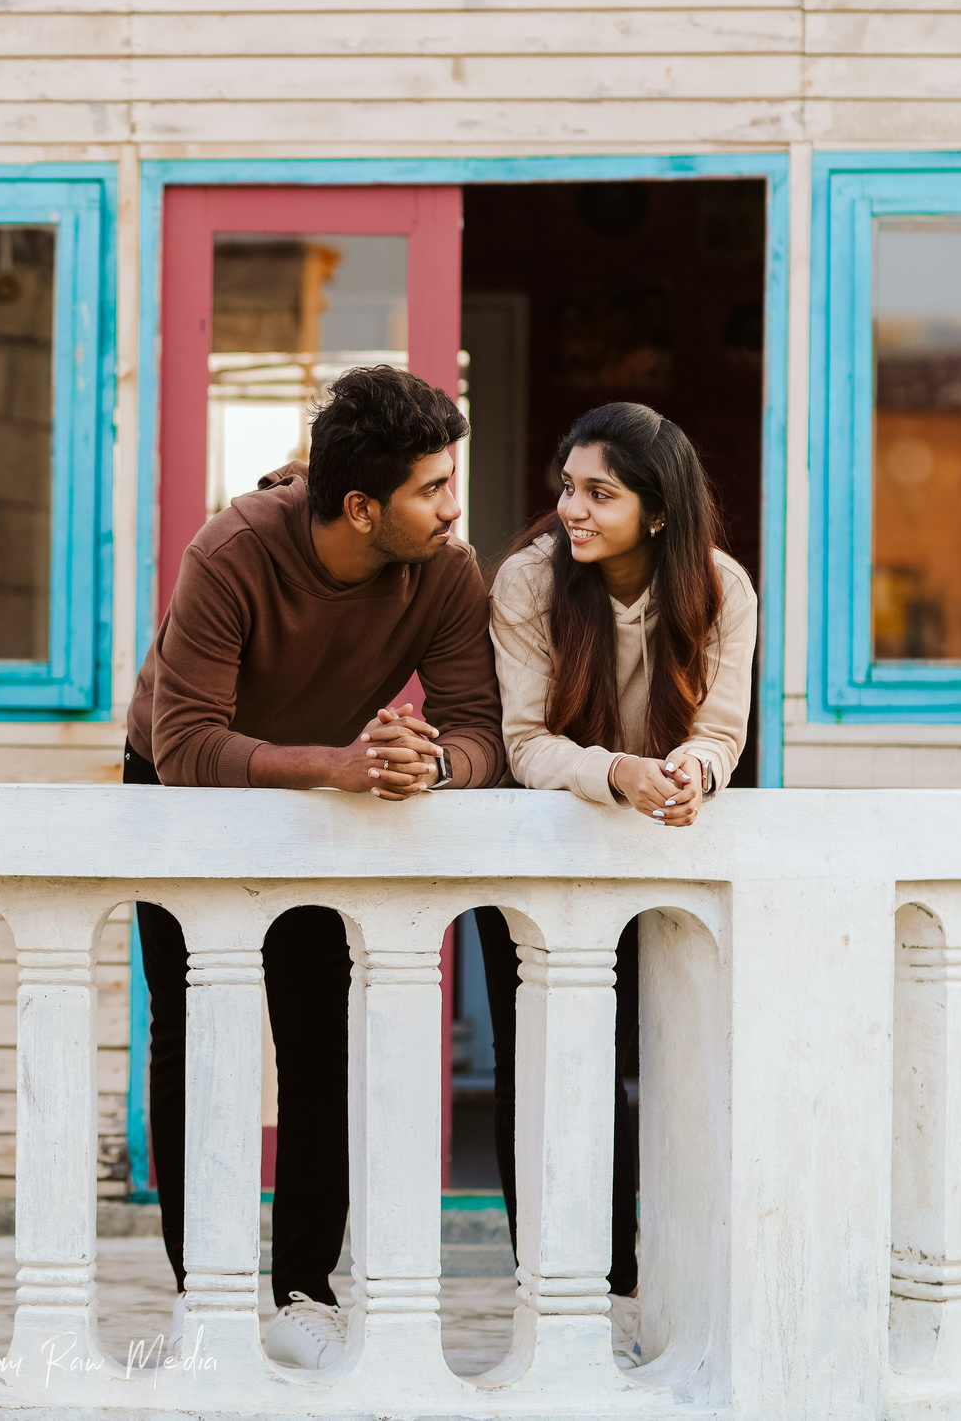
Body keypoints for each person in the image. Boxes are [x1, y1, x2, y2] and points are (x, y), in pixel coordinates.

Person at [123, 364, 507, 1370]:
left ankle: (303, 1294)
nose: (450, 507)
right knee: (194, 1033)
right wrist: (336, 764)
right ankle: (198, 1289)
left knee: (315, 1035)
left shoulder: (445, 573)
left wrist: (432, 766)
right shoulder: (234, 549)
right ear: (359, 506)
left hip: (318, 796)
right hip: (187, 789)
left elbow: (481, 732)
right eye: (431, 487)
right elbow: (187, 748)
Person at [478, 400, 757, 1314]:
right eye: (568, 487)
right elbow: (524, 746)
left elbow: (721, 733)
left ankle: (636, 1282)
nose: (573, 508)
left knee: (656, 1063)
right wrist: (619, 772)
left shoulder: (721, 589)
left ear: (659, 507)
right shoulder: (527, 583)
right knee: (546, 1069)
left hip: (656, 858)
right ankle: (552, 1280)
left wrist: (691, 770)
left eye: (600, 491)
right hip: (541, 861)